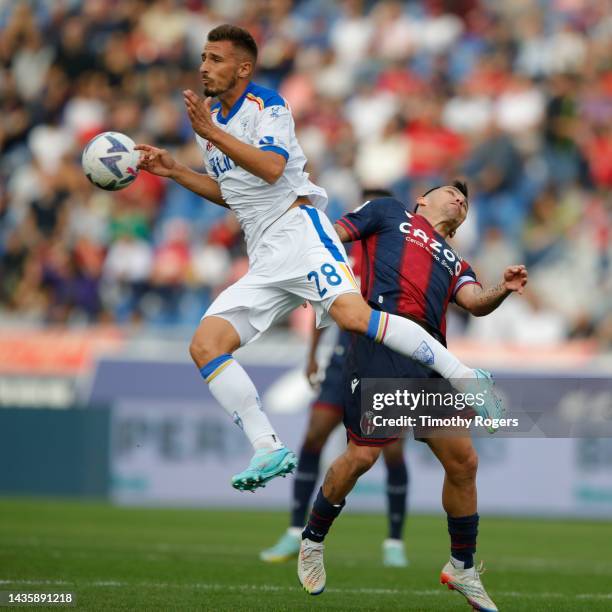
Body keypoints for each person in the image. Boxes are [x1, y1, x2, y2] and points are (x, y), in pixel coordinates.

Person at [136, 24, 499, 493]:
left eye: (216, 59)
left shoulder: (267, 106)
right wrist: (175, 171)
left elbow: (269, 168)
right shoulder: (210, 120)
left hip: (299, 230)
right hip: (264, 253)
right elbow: (235, 194)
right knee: (205, 345)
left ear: (243, 68)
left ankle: (466, 377)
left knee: (354, 316)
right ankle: (266, 445)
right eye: (203, 57)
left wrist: (209, 132)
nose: (205, 66)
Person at [297, 182, 528, 612]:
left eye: (466, 201)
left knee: (464, 460)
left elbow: (474, 302)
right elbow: (331, 236)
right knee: (363, 457)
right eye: (451, 193)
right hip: (380, 340)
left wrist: (502, 287)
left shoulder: (456, 261)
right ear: (421, 198)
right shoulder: (388, 212)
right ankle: (312, 540)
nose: (460, 199)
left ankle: (461, 566)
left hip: (430, 360)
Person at [261, 190, 410, 568]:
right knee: (314, 435)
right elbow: (321, 302)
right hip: (343, 357)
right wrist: (312, 355)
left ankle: (394, 541)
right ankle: (296, 531)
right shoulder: (342, 255)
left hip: (387, 361)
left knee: (391, 450)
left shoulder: (401, 256)